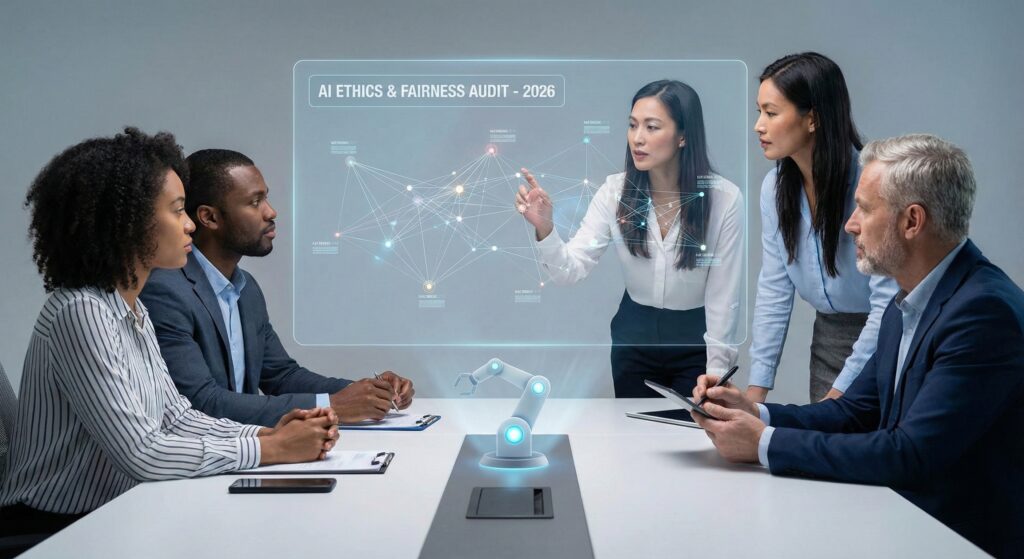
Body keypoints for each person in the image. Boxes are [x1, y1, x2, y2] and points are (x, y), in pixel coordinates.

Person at [690, 134, 1024, 558]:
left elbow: (911, 453)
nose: (849, 224)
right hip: (906, 526)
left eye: (864, 208)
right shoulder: (909, 299)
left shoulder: (982, 313)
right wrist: (754, 412)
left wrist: (763, 443)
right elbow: (854, 412)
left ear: (912, 221)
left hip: (959, 542)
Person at [0, 128, 338, 541]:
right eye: (178, 210)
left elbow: (176, 418)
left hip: (116, 515)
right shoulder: (80, 312)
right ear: (127, 222)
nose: (190, 225)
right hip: (55, 531)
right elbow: (143, 452)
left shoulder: (131, 307)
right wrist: (273, 449)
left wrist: (270, 432)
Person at [139, 149, 414, 427]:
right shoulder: (165, 291)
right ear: (209, 218)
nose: (271, 212)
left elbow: (280, 376)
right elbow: (201, 403)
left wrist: (369, 391)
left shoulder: (245, 289)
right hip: (206, 461)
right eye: (255, 202)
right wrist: (333, 406)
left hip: (245, 455)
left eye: (265, 198)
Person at [516, 80, 743, 397]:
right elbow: (569, 271)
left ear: (683, 136)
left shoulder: (724, 199)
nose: (638, 138)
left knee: (692, 438)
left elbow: (724, 296)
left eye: (652, 127)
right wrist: (544, 227)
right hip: (633, 338)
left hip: (696, 340)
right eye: (633, 125)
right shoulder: (614, 192)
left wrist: (718, 371)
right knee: (634, 439)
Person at [749, 52, 898, 403]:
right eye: (759, 112)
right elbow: (774, 289)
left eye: (771, 113)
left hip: (885, 336)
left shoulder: (872, 182)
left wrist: (839, 395)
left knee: (867, 447)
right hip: (828, 338)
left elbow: (888, 303)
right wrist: (754, 396)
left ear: (812, 119)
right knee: (821, 448)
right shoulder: (774, 189)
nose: (759, 125)